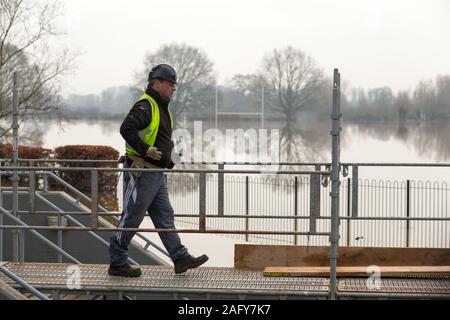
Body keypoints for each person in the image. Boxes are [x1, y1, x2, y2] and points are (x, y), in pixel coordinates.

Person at [108, 64, 208, 277]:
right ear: (158, 83)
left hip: (155, 174)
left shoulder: (161, 107)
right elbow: (126, 129)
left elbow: (161, 138)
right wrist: (146, 150)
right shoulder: (146, 105)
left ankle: (180, 258)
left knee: (164, 216)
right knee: (132, 217)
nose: (173, 88)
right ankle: (117, 262)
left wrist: (170, 159)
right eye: (171, 84)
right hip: (142, 172)